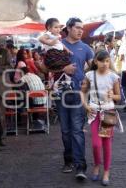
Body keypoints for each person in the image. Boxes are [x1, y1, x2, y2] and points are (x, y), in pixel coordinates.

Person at [53, 17, 94, 180]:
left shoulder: (86, 48)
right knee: (65, 130)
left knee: (77, 129)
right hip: (61, 93)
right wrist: (63, 68)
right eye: (77, 28)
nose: (80, 31)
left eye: (82, 29)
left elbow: (93, 66)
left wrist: (88, 78)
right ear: (68, 28)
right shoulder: (56, 44)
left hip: (78, 93)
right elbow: (44, 66)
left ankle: (80, 166)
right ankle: (68, 159)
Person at [81, 50, 121, 186]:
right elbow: (82, 92)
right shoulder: (89, 75)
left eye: (107, 61)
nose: (105, 64)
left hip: (107, 113)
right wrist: (85, 105)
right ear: (95, 62)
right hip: (94, 113)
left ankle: (106, 171)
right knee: (96, 144)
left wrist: (113, 96)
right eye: (102, 61)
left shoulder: (113, 77)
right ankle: (97, 165)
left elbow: (119, 97)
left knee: (106, 143)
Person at [39, 18, 72, 97]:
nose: (58, 29)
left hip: (60, 53)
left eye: (59, 27)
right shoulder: (48, 34)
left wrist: (68, 50)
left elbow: (61, 44)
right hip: (53, 54)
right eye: (55, 27)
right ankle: (55, 89)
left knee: (68, 66)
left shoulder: (56, 36)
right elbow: (42, 39)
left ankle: (67, 84)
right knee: (58, 71)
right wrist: (55, 39)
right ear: (49, 28)